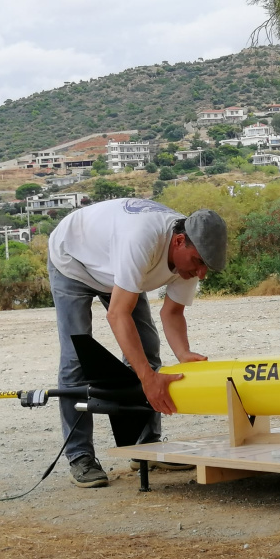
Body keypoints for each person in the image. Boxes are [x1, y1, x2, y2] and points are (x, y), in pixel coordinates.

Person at [47, 198, 227, 488]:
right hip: (73, 260)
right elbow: (117, 314)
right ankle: (80, 455)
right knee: (77, 356)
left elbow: (172, 312)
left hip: (119, 268)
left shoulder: (191, 252)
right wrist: (147, 378)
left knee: (147, 347)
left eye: (206, 267)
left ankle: (146, 445)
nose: (201, 273)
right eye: (199, 263)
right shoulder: (143, 239)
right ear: (179, 241)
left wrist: (183, 354)